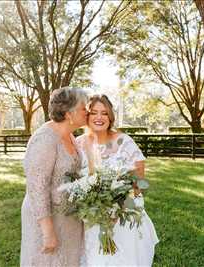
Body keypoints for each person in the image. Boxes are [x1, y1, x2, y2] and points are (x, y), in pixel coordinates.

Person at [77, 94, 159, 266]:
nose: (99, 117)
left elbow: (138, 182)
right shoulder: (78, 144)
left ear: (110, 117)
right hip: (93, 218)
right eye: (94, 113)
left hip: (124, 214)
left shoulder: (124, 141)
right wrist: (95, 207)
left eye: (104, 113)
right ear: (87, 116)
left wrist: (117, 209)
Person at [20, 87, 88, 267]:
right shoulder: (45, 139)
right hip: (47, 218)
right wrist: (47, 230)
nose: (87, 112)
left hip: (68, 218)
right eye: (84, 108)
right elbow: (37, 186)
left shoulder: (70, 135)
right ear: (69, 113)